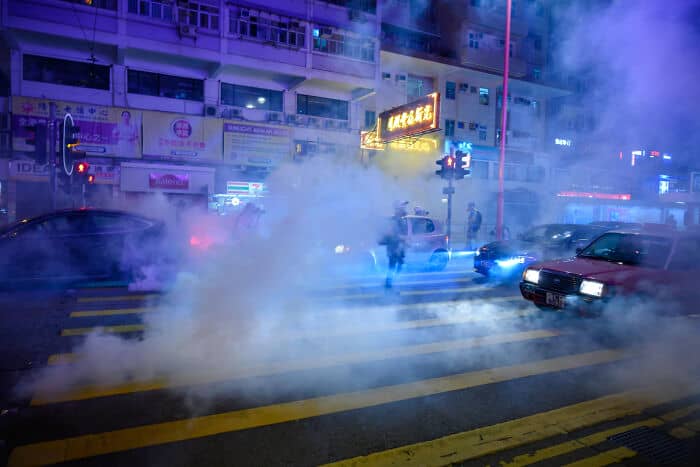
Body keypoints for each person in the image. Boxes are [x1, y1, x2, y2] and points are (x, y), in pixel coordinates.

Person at [380, 201, 408, 289]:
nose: (404, 210)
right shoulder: (395, 221)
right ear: (398, 210)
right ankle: (388, 282)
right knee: (393, 265)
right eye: (402, 209)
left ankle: (390, 281)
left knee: (398, 264)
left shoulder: (400, 220)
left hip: (398, 247)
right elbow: (393, 234)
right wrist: (401, 238)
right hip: (394, 247)